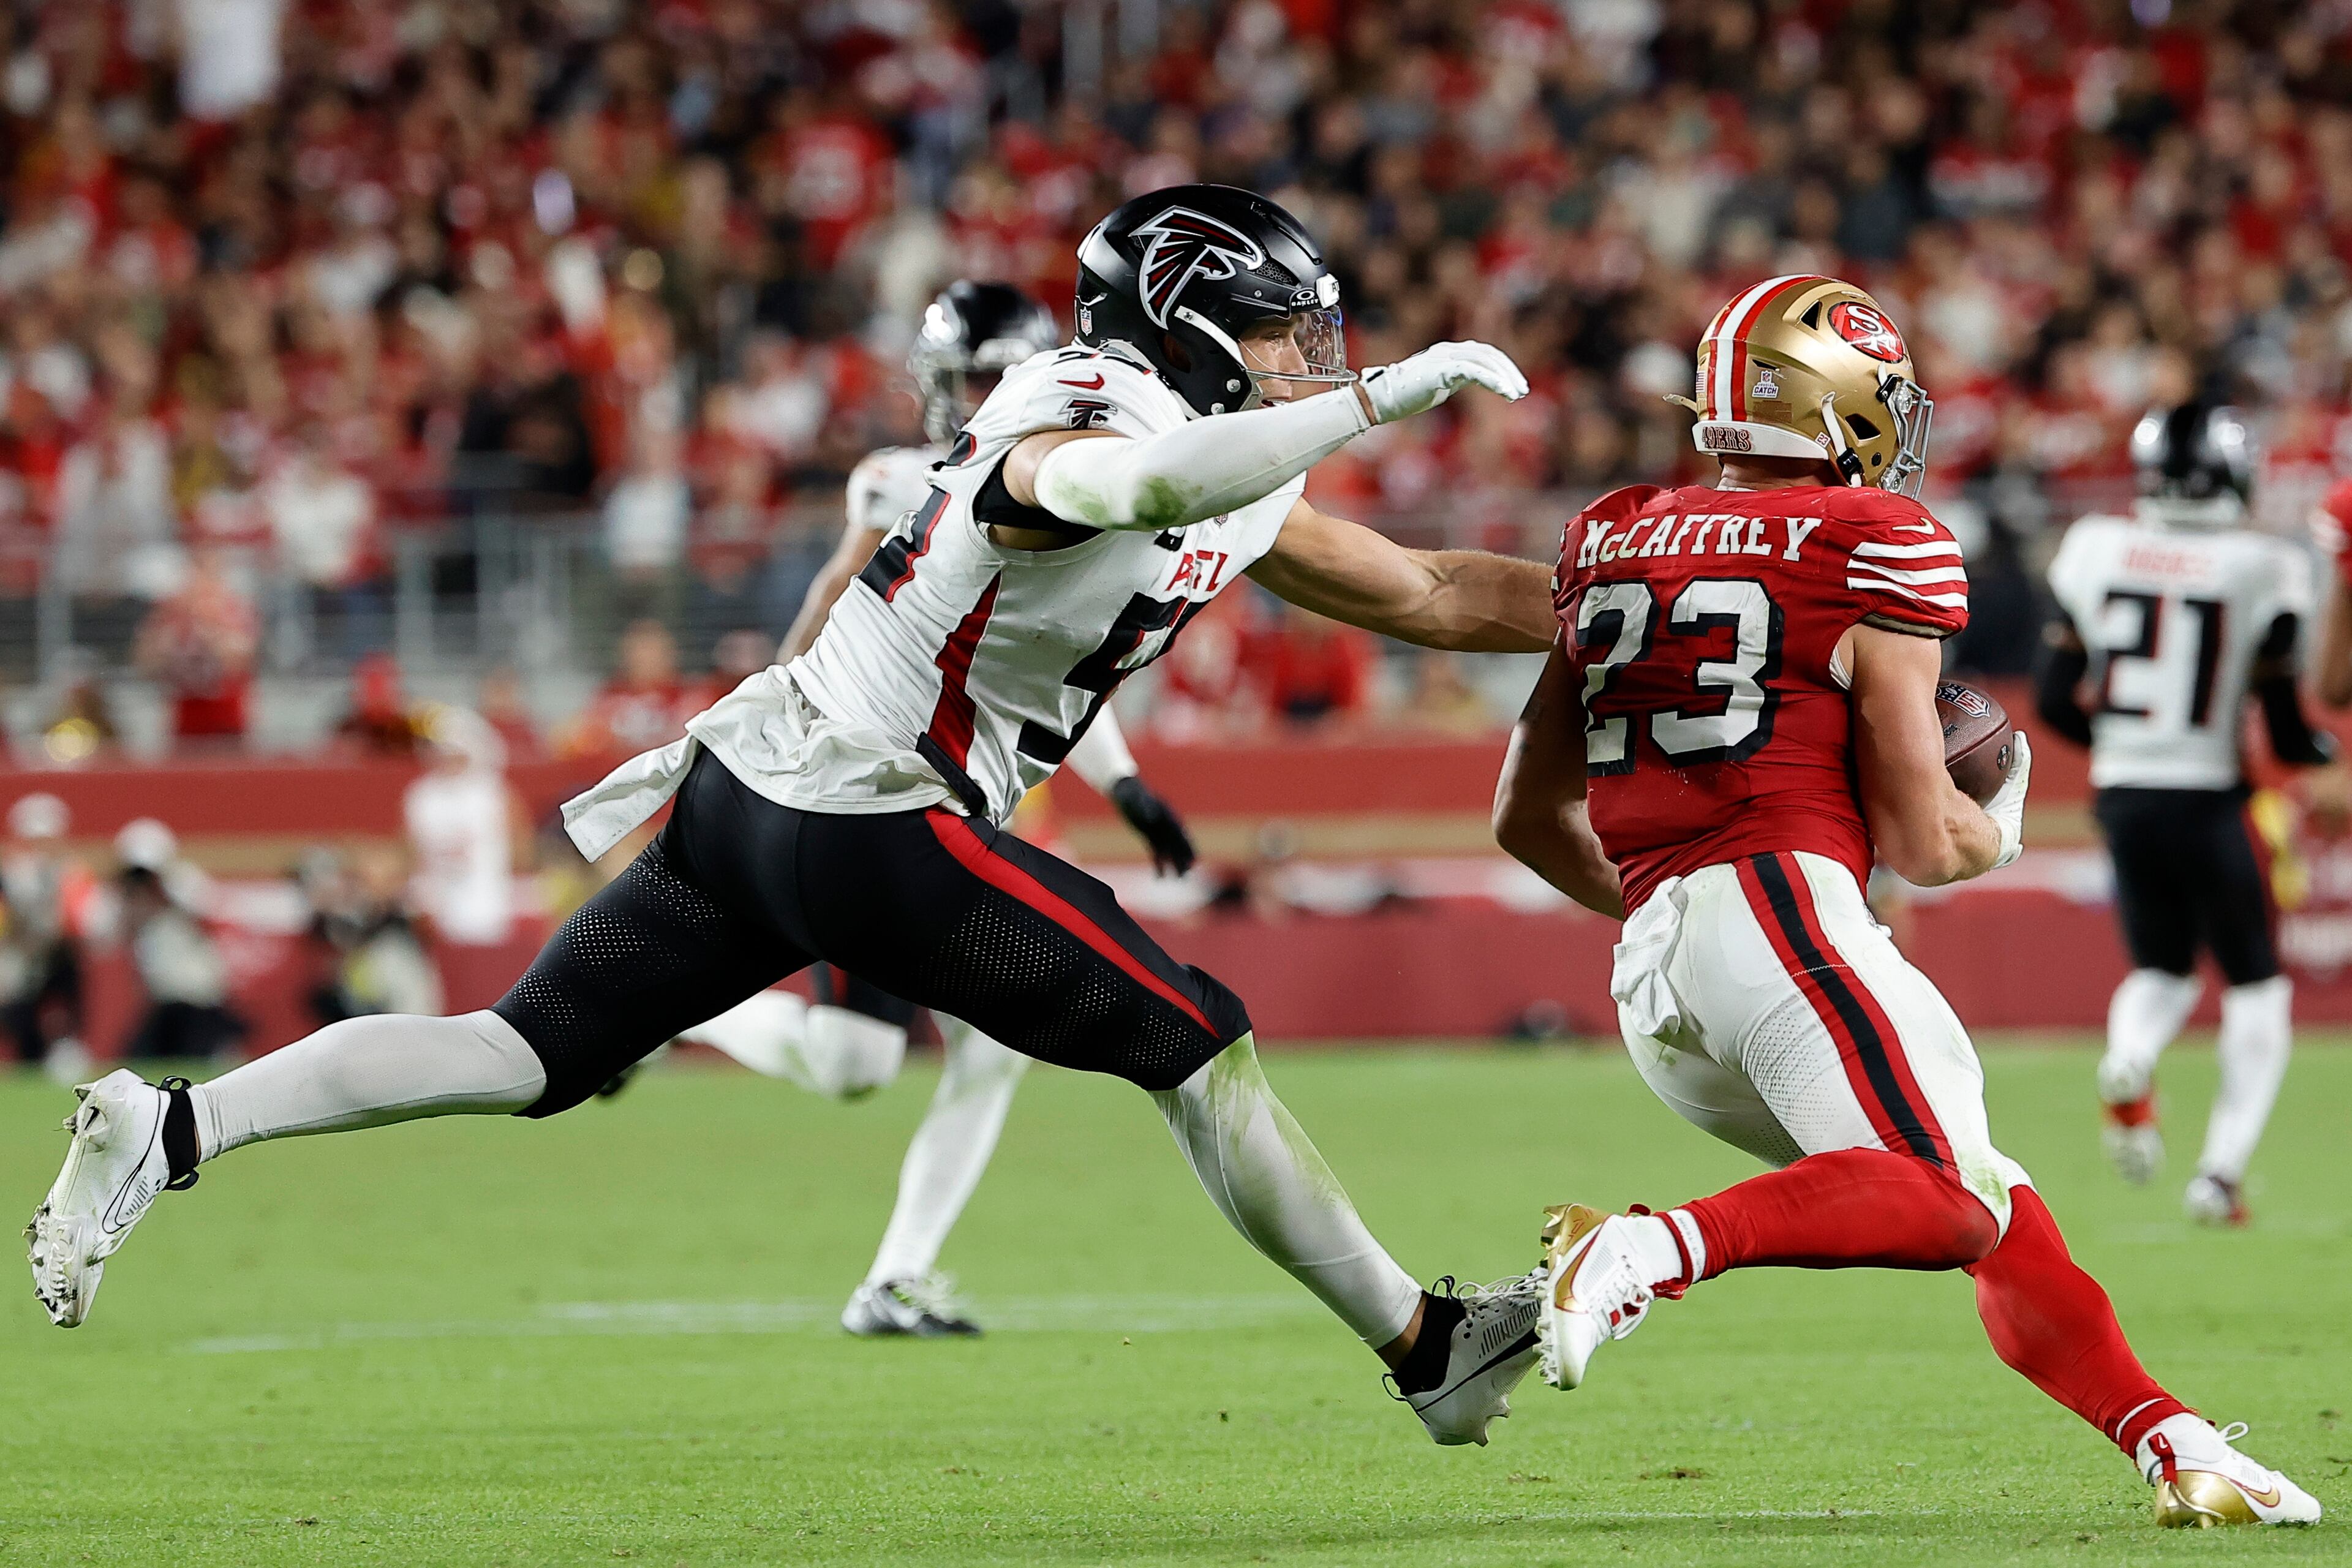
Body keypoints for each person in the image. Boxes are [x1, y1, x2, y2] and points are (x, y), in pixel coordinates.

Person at [31, 185, 1559, 1448]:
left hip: (756, 794)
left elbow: (1431, 588)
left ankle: (173, 1124)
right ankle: (1428, 1349)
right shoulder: (1091, 401)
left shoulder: (1241, 467)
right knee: (1199, 1040)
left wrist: (1625, 601)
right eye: (1282, 333)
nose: (1306, 364)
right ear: (1186, 319)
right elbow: (1132, 487)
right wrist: (1373, 402)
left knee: (524, 1051)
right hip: (870, 810)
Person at [1493, 276, 2317, 1526]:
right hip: (1780, 910)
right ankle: (1643, 1250)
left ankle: (2179, 1445)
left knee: (1987, 1200)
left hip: (1656, 977)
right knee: (1941, 1191)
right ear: (1831, 402)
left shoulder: (1615, 533)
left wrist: (1683, 915)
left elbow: (1523, 813)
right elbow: (1926, 843)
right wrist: (2003, 824)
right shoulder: (1871, 534)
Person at [680, 282, 1203, 1336]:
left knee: (994, 1049)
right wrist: (772, 723)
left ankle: (897, 1277)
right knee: (854, 1066)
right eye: (965, 379)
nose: (975, 397)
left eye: (992, 377)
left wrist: (1126, 785)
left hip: (971, 811)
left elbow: (1054, 665)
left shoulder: (1075, 478)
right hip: (875, 799)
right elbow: (832, 606)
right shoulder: (903, 482)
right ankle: (685, 1018)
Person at [2037, 405, 2339, 1226]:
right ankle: (2219, 1176)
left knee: (2162, 971)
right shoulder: (2263, 565)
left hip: (2123, 794)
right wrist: (2316, 754)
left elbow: (2055, 700)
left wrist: (2130, 746)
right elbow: (2285, 723)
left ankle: (2129, 1057)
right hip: (2209, 796)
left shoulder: (2096, 546)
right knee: (2257, 986)